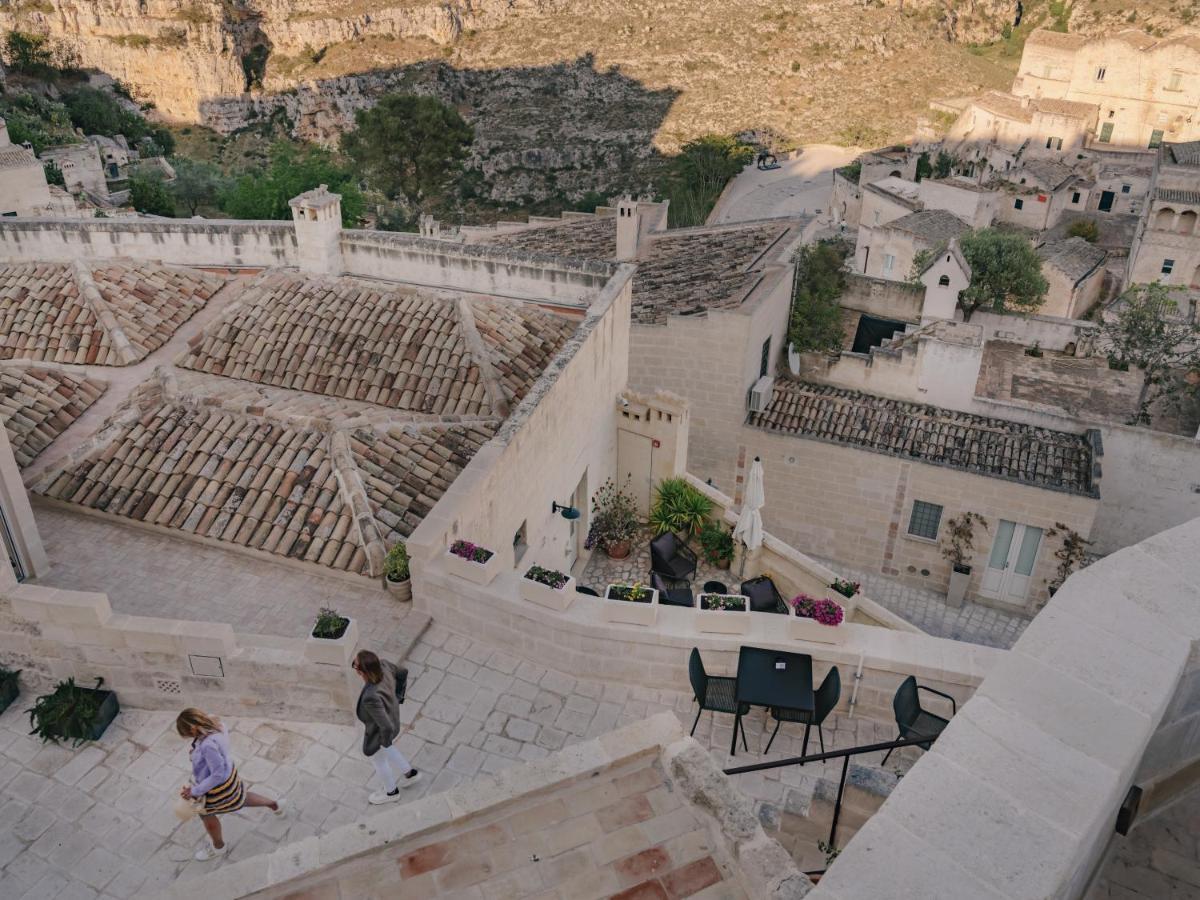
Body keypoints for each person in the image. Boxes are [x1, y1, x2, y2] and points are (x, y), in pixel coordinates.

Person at [177, 708, 285, 861]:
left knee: (207, 815)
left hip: (216, 788)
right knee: (241, 797)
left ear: (193, 730)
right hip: (230, 777)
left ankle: (218, 847)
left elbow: (217, 774)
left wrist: (195, 791)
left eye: (189, 735)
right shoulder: (217, 724)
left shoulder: (207, 745)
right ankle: (275, 805)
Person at [353, 649, 421, 803]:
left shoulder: (370, 696)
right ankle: (410, 773)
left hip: (382, 731)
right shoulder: (385, 665)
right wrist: (398, 696)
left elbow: (386, 727)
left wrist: (384, 743)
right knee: (386, 751)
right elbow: (403, 672)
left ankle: (391, 792)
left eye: (355, 665)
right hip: (393, 719)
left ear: (360, 672)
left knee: (379, 760)